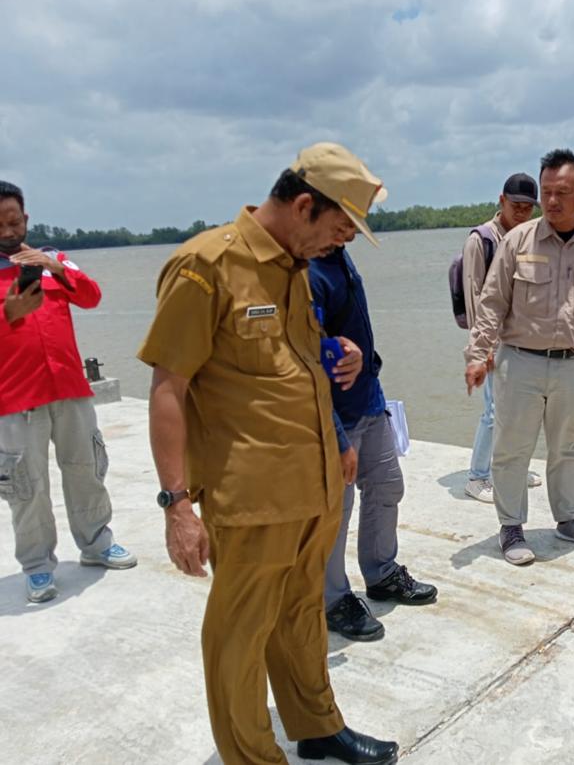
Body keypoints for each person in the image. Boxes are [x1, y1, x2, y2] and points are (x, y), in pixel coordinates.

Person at [139, 144, 398, 765]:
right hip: (251, 497)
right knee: (239, 636)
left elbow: (290, 369)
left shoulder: (296, 268)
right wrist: (177, 506)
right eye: (335, 230)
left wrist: (341, 383)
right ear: (303, 205)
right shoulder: (206, 265)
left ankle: (316, 726)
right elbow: (169, 387)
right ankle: (252, 756)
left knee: (304, 614)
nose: (336, 245)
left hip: (314, 487)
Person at [465, 149, 574, 566]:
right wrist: (478, 355)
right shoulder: (518, 242)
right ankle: (511, 526)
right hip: (520, 362)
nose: (552, 201)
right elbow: (491, 303)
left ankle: (569, 518)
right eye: (547, 192)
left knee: (569, 446)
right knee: (512, 448)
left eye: (563, 192)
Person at [0, 180, 136, 604]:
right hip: (16, 399)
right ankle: (38, 566)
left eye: (14, 220)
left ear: (26, 219)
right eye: (0, 224)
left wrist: (54, 267)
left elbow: (92, 297)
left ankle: (96, 544)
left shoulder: (55, 260)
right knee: (28, 487)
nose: (8, 230)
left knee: (86, 468)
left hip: (70, 389)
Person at [309, 233, 438, 642]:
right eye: (346, 220)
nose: (351, 231)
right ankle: (332, 600)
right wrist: (334, 434)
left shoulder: (339, 254)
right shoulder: (305, 272)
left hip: (369, 400)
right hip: (336, 418)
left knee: (386, 486)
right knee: (336, 510)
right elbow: (309, 360)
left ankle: (381, 573)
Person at [462, 173, 543, 503]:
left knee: (520, 410)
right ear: (501, 201)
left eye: (528, 207)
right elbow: (474, 297)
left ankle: (512, 469)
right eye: (516, 206)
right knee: (494, 411)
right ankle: (477, 476)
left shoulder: (532, 237)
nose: (522, 212)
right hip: (493, 343)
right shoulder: (481, 240)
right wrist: (483, 349)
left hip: (525, 342)